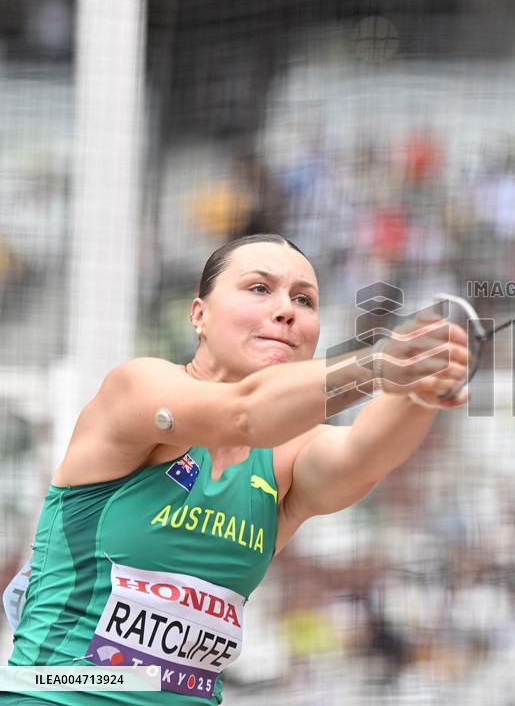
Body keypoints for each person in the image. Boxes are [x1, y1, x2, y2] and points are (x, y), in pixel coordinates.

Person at [0, 233, 470, 704]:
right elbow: (246, 413)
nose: (286, 310)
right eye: (259, 288)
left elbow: (365, 456)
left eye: (303, 299)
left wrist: (423, 384)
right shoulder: (139, 387)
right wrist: (380, 363)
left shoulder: (286, 460)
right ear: (199, 315)